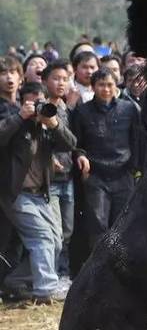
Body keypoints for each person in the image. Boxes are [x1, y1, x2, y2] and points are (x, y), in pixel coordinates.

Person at [0, 79, 77, 304]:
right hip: (16, 194)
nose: (37, 107)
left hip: (41, 193)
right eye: (31, 103)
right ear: (21, 103)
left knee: (55, 240)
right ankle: (45, 293)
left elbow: (70, 144)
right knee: (41, 237)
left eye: (40, 102)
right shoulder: (14, 121)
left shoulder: (46, 126)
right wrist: (20, 117)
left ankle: (16, 280)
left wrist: (53, 124)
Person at [69, 68, 141, 251]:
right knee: (97, 225)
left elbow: (137, 140)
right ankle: (99, 271)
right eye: (101, 85)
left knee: (124, 225)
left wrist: (135, 168)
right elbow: (76, 143)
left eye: (110, 85)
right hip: (95, 175)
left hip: (124, 173)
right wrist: (80, 156)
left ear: (116, 85)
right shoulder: (82, 112)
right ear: (93, 87)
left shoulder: (129, 109)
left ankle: (121, 269)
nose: (106, 89)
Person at [41, 60, 77, 280]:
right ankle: (52, 275)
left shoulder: (68, 110)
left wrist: (80, 155)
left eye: (65, 79)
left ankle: (63, 274)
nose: (61, 83)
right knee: (54, 232)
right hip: (48, 180)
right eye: (55, 78)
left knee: (68, 232)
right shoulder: (41, 108)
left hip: (68, 177)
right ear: (45, 80)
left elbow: (76, 141)